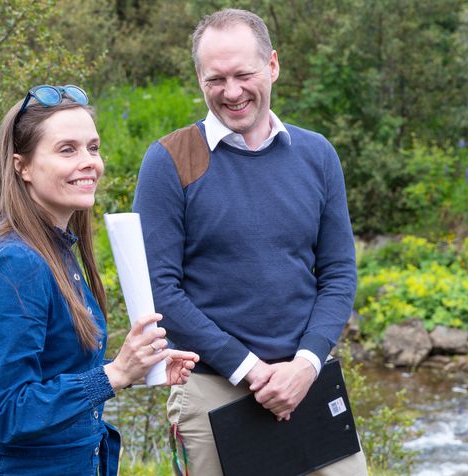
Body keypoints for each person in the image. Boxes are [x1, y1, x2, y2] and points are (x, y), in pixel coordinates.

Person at [133, 9, 368, 476]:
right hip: (214, 391)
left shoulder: (317, 154)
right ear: (199, 78)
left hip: (310, 382)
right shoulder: (168, 161)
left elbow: (339, 275)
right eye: (216, 79)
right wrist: (254, 372)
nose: (232, 92)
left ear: (273, 66)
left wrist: (304, 365)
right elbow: (161, 291)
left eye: (244, 74)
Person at [0, 84, 199, 476]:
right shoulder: (15, 262)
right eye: (67, 149)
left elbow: (53, 373)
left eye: (93, 148)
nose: (89, 162)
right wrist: (112, 375)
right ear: (22, 166)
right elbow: (9, 411)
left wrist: (131, 368)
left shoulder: (55, 249)